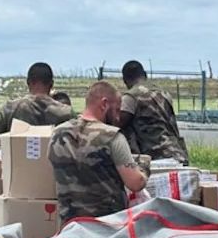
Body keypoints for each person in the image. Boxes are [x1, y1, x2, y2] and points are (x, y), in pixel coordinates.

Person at [49, 81, 147, 221]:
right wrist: (143, 167)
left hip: (70, 228)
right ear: (104, 104)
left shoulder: (57, 134)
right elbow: (135, 183)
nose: (118, 117)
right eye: (117, 110)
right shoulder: (112, 137)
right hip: (106, 229)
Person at [0, 62, 73, 150]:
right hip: (53, 167)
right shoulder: (67, 112)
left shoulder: (10, 108)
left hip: (16, 166)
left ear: (28, 82)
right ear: (51, 84)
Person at [119, 60, 189, 165]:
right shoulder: (164, 94)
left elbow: (118, 123)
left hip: (156, 157)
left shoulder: (130, 97)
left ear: (125, 80)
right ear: (145, 75)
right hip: (177, 152)